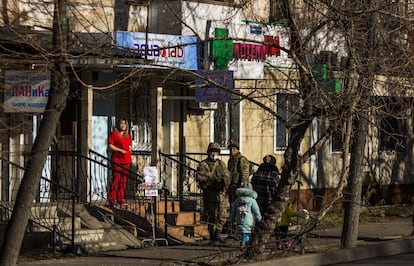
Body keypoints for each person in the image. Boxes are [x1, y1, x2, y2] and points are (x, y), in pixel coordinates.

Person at [196, 142, 231, 243]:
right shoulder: (203, 164)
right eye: (212, 152)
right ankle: (212, 235)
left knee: (223, 215)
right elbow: (200, 177)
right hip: (210, 194)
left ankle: (218, 233)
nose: (214, 154)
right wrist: (211, 180)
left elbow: (227, 175)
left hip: (221, 194)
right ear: (209, 152)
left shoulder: (221, 163)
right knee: (211, 215)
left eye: (216, 152)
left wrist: (224, 183)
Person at [108, 118, 132, 208]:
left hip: (126, 160)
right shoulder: (114, 134)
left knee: (123, 181)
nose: (123, 125)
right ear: (119, 124)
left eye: (124, 124)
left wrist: (130, 154)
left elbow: (129, 146)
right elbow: (110, 145)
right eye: (121, 123)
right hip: (117, 160)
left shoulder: (128, 135)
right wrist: (120, 150)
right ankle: (112, 199)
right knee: (116, 179)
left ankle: (120, 198)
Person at [229, 183, 262, 249]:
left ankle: (245, 242)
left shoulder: (237, 200)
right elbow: (256, 210)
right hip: (248, 221)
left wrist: (231, 219)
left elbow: (233, 211)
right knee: (246, 232)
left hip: (239, 220)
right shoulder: (252, 201)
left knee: (243, 232)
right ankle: (244, 243)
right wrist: (259, 219)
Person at [227, 141, 250, 206]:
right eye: (230, 149)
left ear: (237, 150)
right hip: (232, 187)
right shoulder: (231, 160)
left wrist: (242, 187)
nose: (232, 151)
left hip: (238, 186)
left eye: (234, 149)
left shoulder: (242, 159)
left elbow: (245, 174)